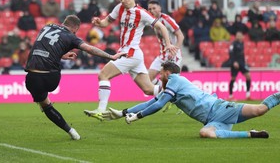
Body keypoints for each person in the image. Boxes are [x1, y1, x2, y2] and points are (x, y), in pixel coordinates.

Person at [101, 61, 278, 139]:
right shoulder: (169, 86)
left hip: (220, 108)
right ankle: (251, 134)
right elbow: (150, 103)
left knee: (260, 110)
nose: (159, 75)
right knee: (205, 133)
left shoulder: (174, 80)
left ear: (167, 73)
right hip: (211, 119)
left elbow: (160, 104)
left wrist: (138, 116)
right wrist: (124, 112)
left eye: (161, 72)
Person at [24, 15, 126, 140]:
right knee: (46, 96)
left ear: (64, 23)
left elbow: (45, 46)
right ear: (76, 28)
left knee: (46, 105)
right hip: (51, 77)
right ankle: (72, 132)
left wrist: (61, 54)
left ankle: (71, 131)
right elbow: (89, 48)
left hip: (31, 77)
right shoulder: (71, 36)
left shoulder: (47, 27)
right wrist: (111, 57)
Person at [83, 0, 178, 120]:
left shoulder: (142, 13)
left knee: (103, 75)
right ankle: (175, 94)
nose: (122, 1)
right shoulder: (119, 8)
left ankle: (100, 110)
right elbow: (107, 22)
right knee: (148, 89)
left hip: (130, 53)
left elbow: (161, 27)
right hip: (133, 55)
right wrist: (100, 23)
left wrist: (168, 44)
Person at [229, 31, 251, 100]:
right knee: (233, 78)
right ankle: (230, 96)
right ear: (236, 36)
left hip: (242, 63)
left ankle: (248, 95)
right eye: (238, 35)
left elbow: (242, 54)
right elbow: (231, 53)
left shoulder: (242, 43)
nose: (239, 36)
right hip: (235, 63)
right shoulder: (233, 44)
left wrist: (245, 62)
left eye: (240, 35)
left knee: (248, 76)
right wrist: (234, 62)